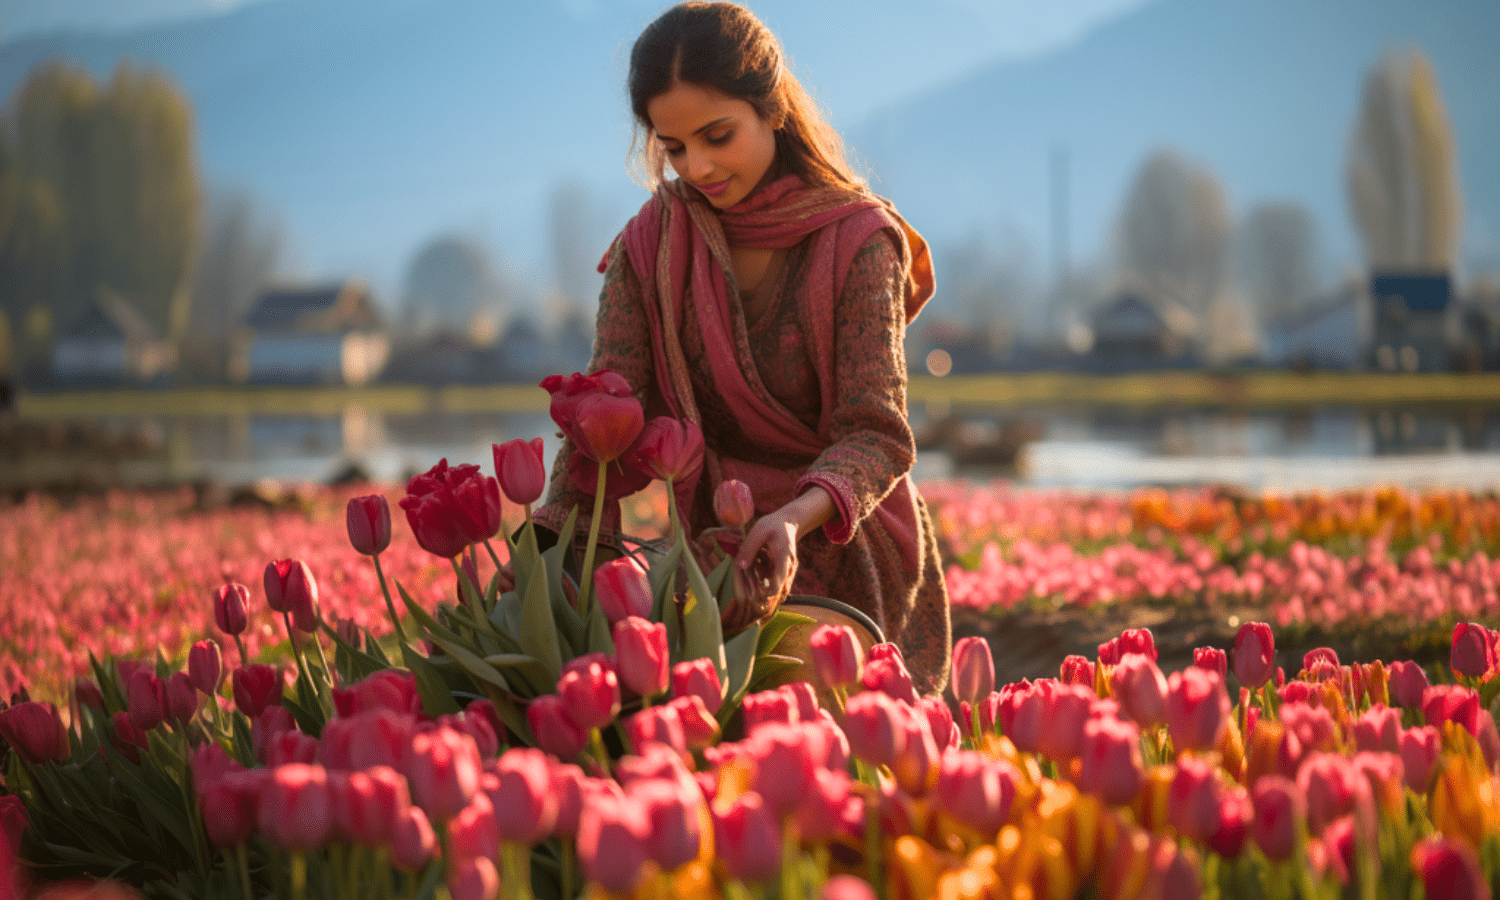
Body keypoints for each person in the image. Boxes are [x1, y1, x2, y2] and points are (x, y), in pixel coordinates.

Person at [531, 0, 951, 694]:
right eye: (673, 148)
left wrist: (791, 518)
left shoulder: (858, 242)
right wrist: (549, 557)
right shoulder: (651, 247)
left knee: (789, 690)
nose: (696, 166)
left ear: (773, 111)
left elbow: (876, 434)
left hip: (839, 537)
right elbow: (604, 414)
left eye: (717, 136)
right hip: (712, 548)